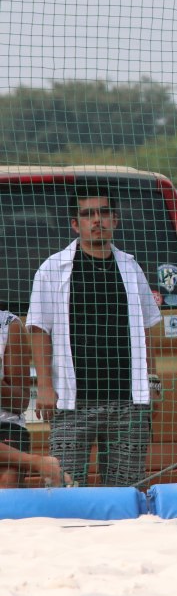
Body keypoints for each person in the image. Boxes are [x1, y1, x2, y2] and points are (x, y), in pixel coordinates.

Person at [27, 186, 162, 488]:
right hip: (71, 403)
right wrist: (45, 387)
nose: (97, 220)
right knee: (64, 488)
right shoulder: (52, 269)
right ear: (76, 224)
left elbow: (146, 329)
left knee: (126, 492)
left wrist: (152, 382)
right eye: (88, 214)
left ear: (115, 219)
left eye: (103, 212)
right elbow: (38, 329)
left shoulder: (131, 268)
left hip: (128, 403)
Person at [0, 308, 68, 488]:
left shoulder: (9, 324)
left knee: (8, 479)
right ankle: (37, 462)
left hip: (6, 423)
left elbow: (20, 402)